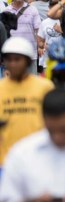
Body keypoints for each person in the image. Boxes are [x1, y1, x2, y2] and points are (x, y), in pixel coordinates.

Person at [0, 37, 54, 166]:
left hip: (39, 160)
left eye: (17, 59)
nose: (13, 64)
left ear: (28, 61)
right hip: (6, 161)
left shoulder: (45, 87)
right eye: (9, 60)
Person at [6, 0, 41, 72]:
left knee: (31, 83)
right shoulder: (6, 11)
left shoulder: (33, 10)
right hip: (12, 54)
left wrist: (40, 47)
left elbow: (38, 30)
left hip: (30, 53)